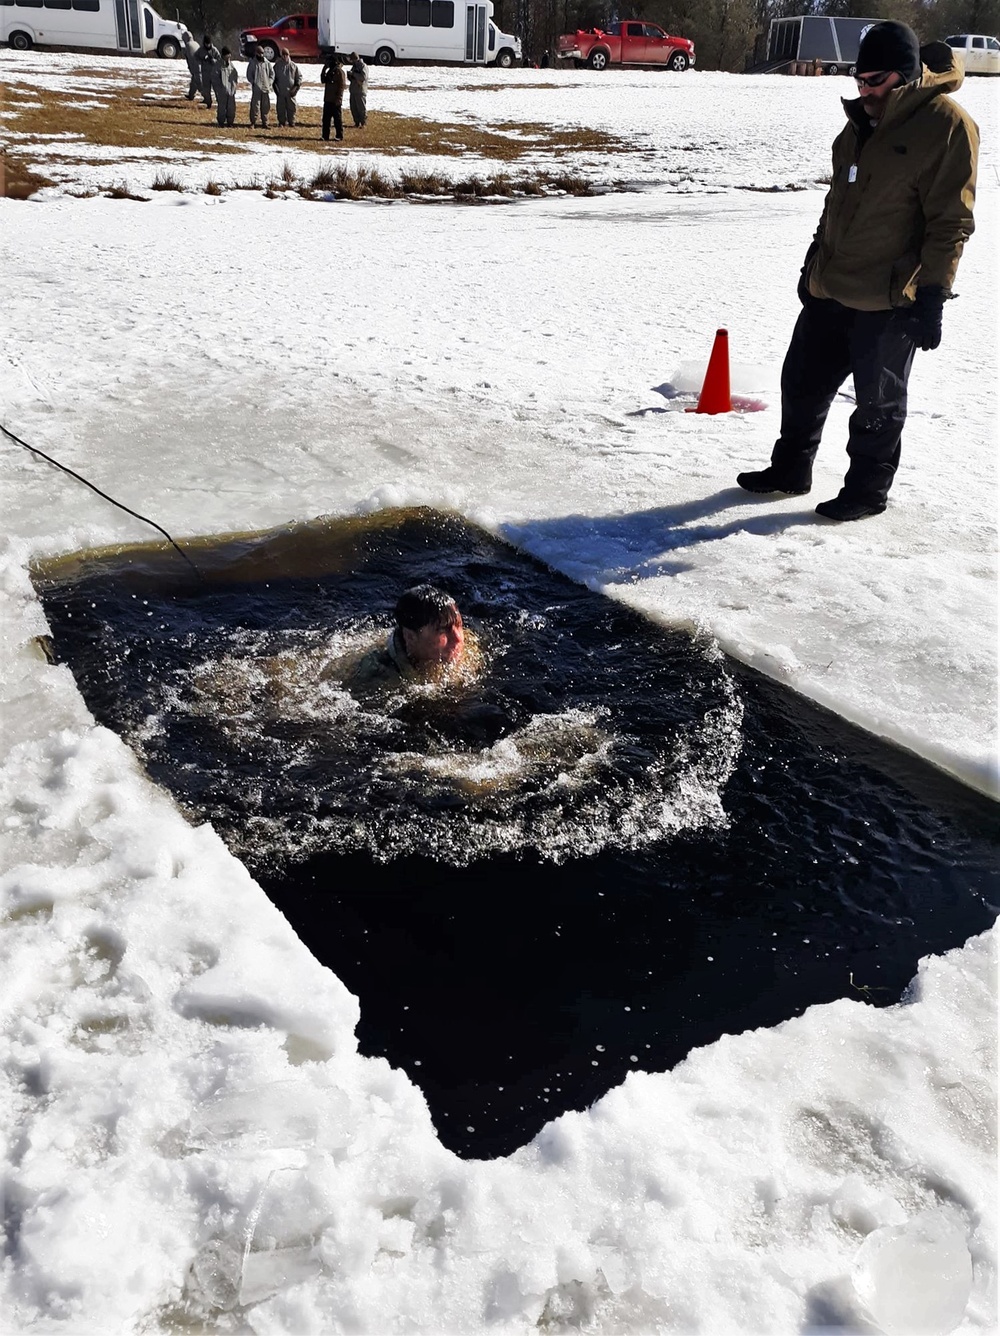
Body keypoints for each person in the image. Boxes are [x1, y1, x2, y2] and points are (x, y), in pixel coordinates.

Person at [736, 23, 978, 521]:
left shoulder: (946, 125)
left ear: (906, 75)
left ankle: (866, 492)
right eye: (858, 78)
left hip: (889, 297)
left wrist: (933, 295)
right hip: (833, 284)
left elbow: (951, 221)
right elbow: (838, 201)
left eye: (875, 79)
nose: (863, 89)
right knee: (800, 382)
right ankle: (790, 470)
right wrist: (813, 263)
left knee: (877, 404)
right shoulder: (861, 121)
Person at [349, 586, 466, 690]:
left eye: (459, 625)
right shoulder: (381, 680)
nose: (458, 638)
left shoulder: (469, 647)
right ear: (410, 637)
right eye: (442, 630)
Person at [246, 43, 275, 129]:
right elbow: (249, 74)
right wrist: (253, 82)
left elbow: (272, 74)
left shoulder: (267, 63)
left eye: (262, 53)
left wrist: (269, 83)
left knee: (265, 106)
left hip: (265, 88)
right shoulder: (252, 63)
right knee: (255, 106)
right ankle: (253, 122)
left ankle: (265, 123)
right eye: (259, 53)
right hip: (256, 89)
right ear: (256, 53)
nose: (261, 55)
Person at [320, 54, 346, 142]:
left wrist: (339, 98)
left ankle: (339, 135)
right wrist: (324, 69)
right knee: (326, 119)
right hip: (328, 99)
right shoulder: (330, 71)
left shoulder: (339, 72)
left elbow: (342, 86)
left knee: (337, 119)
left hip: (335, 100)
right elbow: (323, 80)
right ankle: (325, 135)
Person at [273, 48, 303, 127]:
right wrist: (275, 88)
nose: (285, 56)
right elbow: (273, 77)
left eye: (286, 55)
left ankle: (291, 121)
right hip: (281, 91)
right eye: (283, 55)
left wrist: (296, 87)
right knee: (280, 107)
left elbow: (299, 77)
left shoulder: (293, 65)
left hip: (291, 91)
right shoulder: (277, 65)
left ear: (289, 55)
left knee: (291, 107)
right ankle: (282, 122)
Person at [212, 47, 239, 128]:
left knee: (231, 107)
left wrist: (234, 87)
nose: (228, 57)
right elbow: (214, 78)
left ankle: (230, 122)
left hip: (231, 90)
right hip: (222, 91)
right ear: (223, 56)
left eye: (229, 56)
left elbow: (235, 77)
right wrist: (218, 89)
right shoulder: (218, 65)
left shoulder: (231, 66)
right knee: (222, 107)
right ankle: (221, 122)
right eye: (227, 56)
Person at [197, 35, 220, 109]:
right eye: (206, 44)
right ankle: (208, 102)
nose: (208, 45)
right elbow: (196, 58)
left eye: (209, 43)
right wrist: (203, 60)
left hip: (214, 73)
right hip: (205, 73)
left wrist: (213, 60)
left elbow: (220, 60)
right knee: (206, 89)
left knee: (217, 89)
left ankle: (220, 103)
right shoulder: (201, 50)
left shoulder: (214, 50)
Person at [347, 52, 368, 128]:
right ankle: (356, 122)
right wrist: (349, 76)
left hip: (360, 90)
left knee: (361, 107)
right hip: (353, 89)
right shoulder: (354, 66)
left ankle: (363, 122)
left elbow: (363, 77)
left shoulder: (363, 66)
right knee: (354, 108)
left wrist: (353, 74)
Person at [181, 32, 201, 101]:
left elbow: (190, 58)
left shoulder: (188, 45)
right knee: (194, 82)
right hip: (200, 65)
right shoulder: (196, 43)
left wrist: (191, 67)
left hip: (196, 66)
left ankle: (207, 99)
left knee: (199, 82)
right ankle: (191, 95)